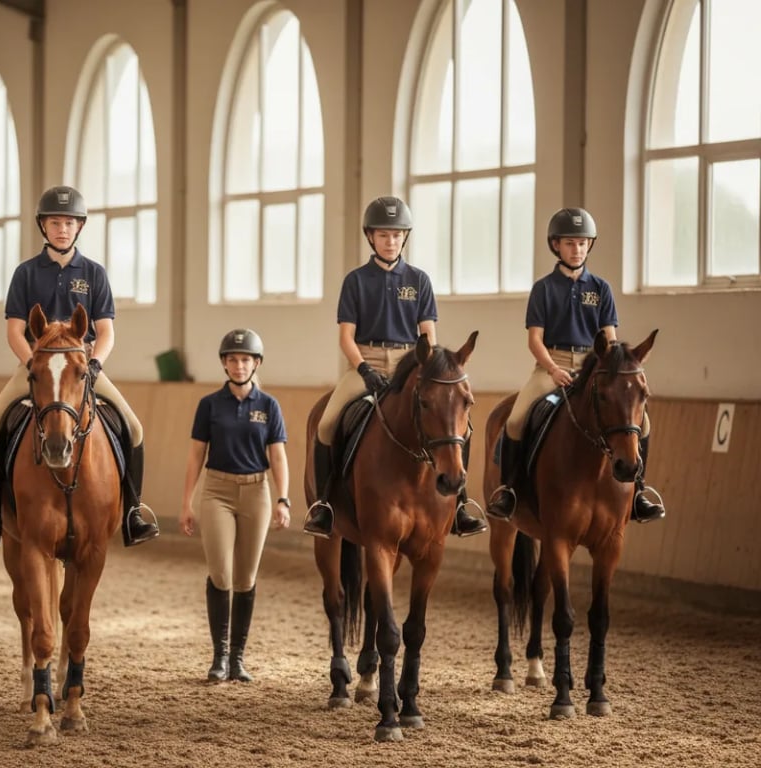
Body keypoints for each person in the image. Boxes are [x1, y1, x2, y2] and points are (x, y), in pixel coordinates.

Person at [0, 185, 159, 548]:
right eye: (55, 222)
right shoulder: (26, 273)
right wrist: (33, 364)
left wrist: (95, 362)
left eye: (69, 223)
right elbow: (14, 331)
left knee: (133, 427)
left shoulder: (95, 273)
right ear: (43, 227)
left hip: (81, 369)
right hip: (36, 367)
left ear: (79, 227)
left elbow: (106, 331)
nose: (62, 229)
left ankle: (133, 511)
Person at [302, 196, 487, 539]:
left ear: (405, 238)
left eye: (397, 235)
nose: (391, 241)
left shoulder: (419, 280)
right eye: (384, 235)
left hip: (411, 366)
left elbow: (427, 334)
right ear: (371, 237)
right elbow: (346, 337)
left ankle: (460, 502)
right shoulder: (356, 281)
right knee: (327, 424)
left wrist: (428, 366)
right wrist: (363, 369)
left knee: (463, 426)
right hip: (367, 363)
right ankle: (325, 506)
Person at [485, 208, 665, 524]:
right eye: (570, 243)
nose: (577, 249)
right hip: (550, 367)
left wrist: (610, 367)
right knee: (515, 420)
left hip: (593, 369)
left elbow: (610, 339)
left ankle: (637, 491)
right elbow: (535, 341)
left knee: (644, 424)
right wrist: (553, 369)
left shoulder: (601, 289)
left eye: (582, 243)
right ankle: (510, 489)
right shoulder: (544, 288)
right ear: (556, 246)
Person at [179, 329, 290, 683]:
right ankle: (219, 656)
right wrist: (187, 502)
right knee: (220, 574)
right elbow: (196, 455)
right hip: (217, 491)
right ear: (224, 364)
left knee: (245, 578)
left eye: (245, 360)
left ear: (256, 364)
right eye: (233, 359)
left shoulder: (269, 406)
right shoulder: (209, 405)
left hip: (256, 492)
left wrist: (283, 499)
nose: (239, 365)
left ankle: (238, 659)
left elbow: (278, 457)